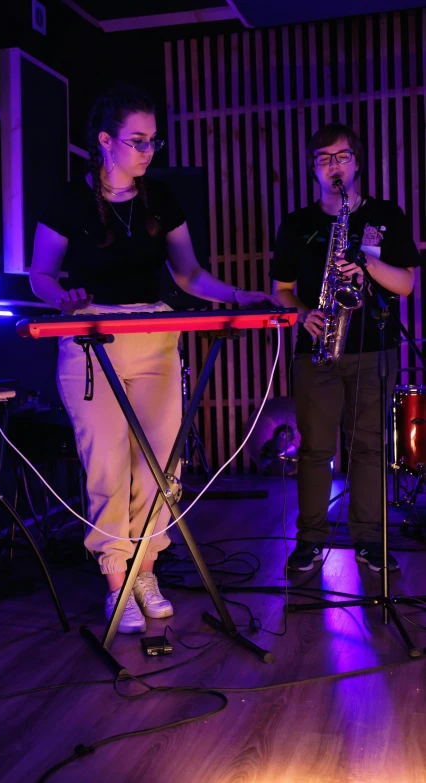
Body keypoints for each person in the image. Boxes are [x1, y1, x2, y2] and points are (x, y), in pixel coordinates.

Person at [30, 85, 279, 632]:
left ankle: (146, 566)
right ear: (105, 142)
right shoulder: (67, 200)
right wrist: (61, 298)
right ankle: (116, 574)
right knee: (106, 462)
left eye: (153, 141)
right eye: (136, 141)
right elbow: (41, 274)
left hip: (157, 334)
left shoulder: (160, 199)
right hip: (92, 340)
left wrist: (240, 298)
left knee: (160, 461)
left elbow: (189, 275)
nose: (147, 151)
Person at [270, 122, 421, 573]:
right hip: (317, 346)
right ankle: (310, 540)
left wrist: (366, 267)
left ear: (356, 162)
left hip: (374, 346)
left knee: (370, 449)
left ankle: (371, 541)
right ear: (313, 169)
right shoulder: (297, 224)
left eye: (341, 157)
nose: (333, 166)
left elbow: (407, 285)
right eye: (323, 159)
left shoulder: (387, 216)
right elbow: (281, 289)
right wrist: (301, 313)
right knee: (316, 450)